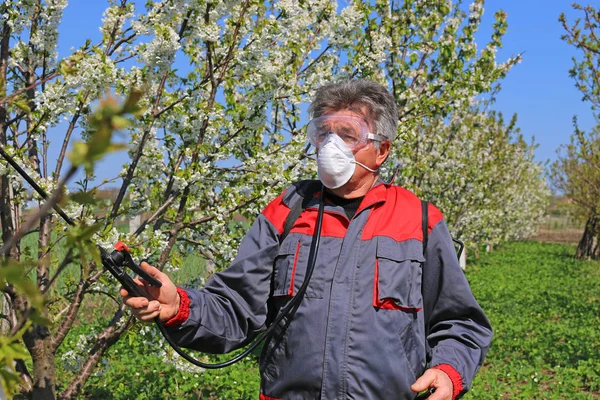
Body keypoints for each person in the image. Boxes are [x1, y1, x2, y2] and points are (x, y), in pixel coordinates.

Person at [121, 79, 492, 400]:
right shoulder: (288, 211)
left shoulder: (419, 220)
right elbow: (236, 308)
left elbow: (460, 322)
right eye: (324, 133)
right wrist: (180, 307)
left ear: (382, 150)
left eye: (348, 135)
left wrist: (448, 370)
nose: (331, 147)